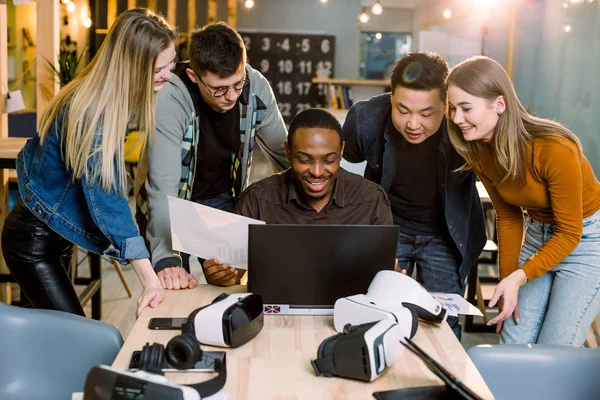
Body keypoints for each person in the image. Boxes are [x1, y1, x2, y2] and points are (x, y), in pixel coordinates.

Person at [1, 9, 177, 317]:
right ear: (131, 67)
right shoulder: (93, 114)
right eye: (159, 68)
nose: (168, 74)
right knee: (72, 336)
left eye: (171, 64)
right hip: (33, 244)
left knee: (44, 337)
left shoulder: (106, 97)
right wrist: (150, 280)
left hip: (55, 237)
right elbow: (108, 202)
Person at [446, 56, 600, 346]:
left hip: (587, 240)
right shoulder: (479, 150)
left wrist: (520, 276)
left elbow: (570, 232)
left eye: (466, 108)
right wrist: (508, 281)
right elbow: (508, 217)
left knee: (556, 347)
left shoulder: (554, 148)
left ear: (499, 105)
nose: (456, 118)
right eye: (453, 108)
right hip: (537, 234)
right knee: (513, 338)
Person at [341, 52, 486, 339]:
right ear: (391, 96)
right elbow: (339, 176)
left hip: (445, 236)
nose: (413, 124)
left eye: (426, 113)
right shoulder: (366, 119)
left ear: (446, 105)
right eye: (403, 110)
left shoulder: (464, 125)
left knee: (443, 325)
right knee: (378, 313)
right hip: (389, 229)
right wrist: (364, 242)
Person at [135, 22, 289, 291]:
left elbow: (283, 155)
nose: (232, 96)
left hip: (220, 201)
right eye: (219, 89)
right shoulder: (170, 98)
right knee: (173, 289)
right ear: (195, 76)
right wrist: (165, 260)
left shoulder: (255, 88)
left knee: (229, 289)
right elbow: (162, 188)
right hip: (172, 206)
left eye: (237, 83)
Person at [203, 108, 394, 286]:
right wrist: (223, 275)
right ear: (288, 151)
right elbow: (232, 272)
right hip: (276, 316)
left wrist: (390, 277)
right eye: (304, 159)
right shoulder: (257, 199)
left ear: (341, 152)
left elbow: (383, 280)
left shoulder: (372, 201)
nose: (317, 172)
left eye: (329, 160)